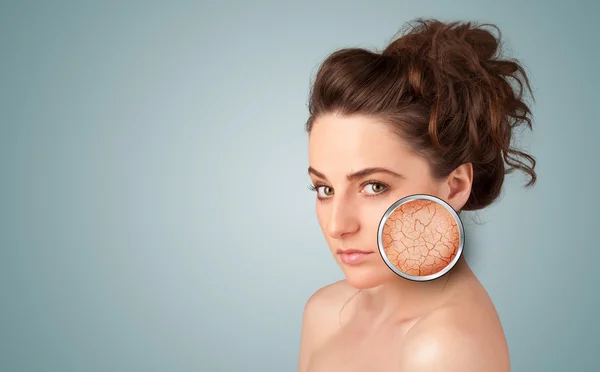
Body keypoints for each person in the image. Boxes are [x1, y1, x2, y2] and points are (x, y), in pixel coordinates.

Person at [298, 18, 537, 372]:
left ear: (455, 185)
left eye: (374, 186)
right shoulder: (324, 311)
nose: (337, 225)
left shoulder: (447, 348)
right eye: (325, 189)